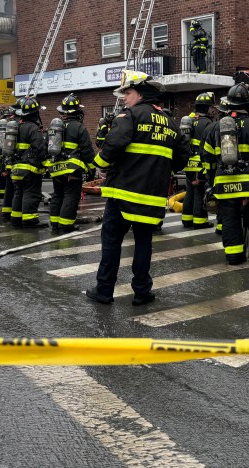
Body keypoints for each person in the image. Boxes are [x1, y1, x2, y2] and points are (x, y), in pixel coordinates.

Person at [85, 71, 189, 305]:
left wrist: (99, 166)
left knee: (112, 242)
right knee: (143, 243)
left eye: (127, 93)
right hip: (151, 197)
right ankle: (142, 292)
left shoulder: (130, 115)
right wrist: (163, 169)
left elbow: (114, 143)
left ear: (140, 94)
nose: (124, 98)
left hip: (122, 194)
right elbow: (183, 156)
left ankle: (104, 290)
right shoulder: (171, 123)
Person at [203, 84, 249, 265]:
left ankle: (234, 256)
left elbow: (207, 156)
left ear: (228, 105)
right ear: (247, 104)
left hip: (224, 182)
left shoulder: (216, 127)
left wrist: (210, 181)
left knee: (230, 220)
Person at [47, 93, 95, 232]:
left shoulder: (55, 128)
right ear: (77, 112)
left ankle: (55, 223)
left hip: (56, 168)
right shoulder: (79, 128)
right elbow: (87, 152)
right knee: (70, 196)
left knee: (57, 195)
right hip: (72, 170)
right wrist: (92, 169)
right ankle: (66, 225)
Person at [8, 96, 47, 228]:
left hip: (16, 167)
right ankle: (30, 220)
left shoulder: (18, 126)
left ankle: (16, 219)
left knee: (18, 193)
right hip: (30, 169)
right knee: (31, 193)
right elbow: (40, 148)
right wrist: (45, 162)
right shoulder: (33, 128)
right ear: (36, 113)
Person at [181, 92, 216, 229]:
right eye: (211, 107)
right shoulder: (207, 123)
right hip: (200, 164)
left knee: (190, 191)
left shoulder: (191, 120)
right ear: (207, 108)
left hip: (188, 164)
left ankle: (187, 219)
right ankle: (200, 221)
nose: (213, 110)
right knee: (199, 191)